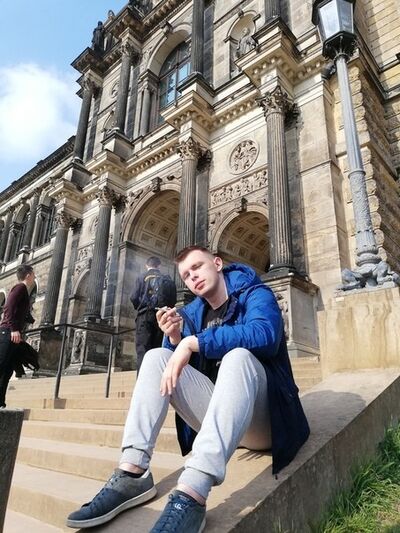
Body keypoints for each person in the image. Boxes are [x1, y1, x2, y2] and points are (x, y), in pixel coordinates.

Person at [66, 246, 310, 532]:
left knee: (238, 357)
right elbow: (178, 372)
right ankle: (132, 472)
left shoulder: (255, 293)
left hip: (266, 420)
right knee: (157, 357)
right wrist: (174, 338)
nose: (192, 277)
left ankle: (192, 493)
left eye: (197, 267)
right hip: (222, 416)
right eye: (185, 274)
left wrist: (194, 342)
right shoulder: (192, 313)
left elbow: (265, 335)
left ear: (217, 263)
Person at [130, 256, 176, 373]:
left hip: (144, 316)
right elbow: (173, 299)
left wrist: (140, 307)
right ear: (159, 266)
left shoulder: (141, 277)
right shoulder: (167, 279)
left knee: (142, 350)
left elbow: (134, 297)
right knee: (158, 350)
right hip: (162, 317)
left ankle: (142, 380)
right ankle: (156, 378)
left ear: (147, 265)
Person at [0, 265, 36, 409]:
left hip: (12, 333)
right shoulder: (20, 288)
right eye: (33, 274)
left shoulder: (23, 290)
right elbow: (8, 307)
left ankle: (1, 403)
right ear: (28, 275)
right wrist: (14, 329)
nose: (34, 276)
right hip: (8, 332)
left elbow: (18, 310)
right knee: (2, 365)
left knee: (8, 370)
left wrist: (29, 318)